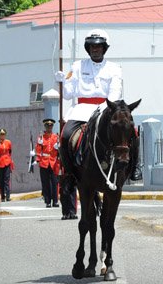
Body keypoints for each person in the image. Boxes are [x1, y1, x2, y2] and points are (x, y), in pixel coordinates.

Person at [55, 29, 127, 219]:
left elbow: (115, 93)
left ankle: (130, 167)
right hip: (81, 110)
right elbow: (70, 94)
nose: (96, 49)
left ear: (104, 48)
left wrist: (105, 110)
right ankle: (70, 176)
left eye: (99, 46)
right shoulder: (77, 66)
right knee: (66, 135)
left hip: (105, 109)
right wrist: (63, 82)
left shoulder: (114, 68)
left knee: (128, 132)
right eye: (92, 46)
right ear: (88, 48)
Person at [35, 119, 60, 208]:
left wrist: (58, 148)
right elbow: (38, 149)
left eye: (51, 126)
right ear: (45, 127)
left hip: (53, 162)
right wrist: (37, 159)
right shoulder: (41, 137)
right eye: (47, 126)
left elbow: (59, 151)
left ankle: (55, 201)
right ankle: (48, 201)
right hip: (44, 162)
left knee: (55, 182)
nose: (49, 128)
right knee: (45, 183)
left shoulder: (56, 137)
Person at [0, 128, 13, 202]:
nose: (2, 136)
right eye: (1, 135)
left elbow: (10, 151)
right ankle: (2, 196)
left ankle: (8, 195)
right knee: (1, 180)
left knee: (6, 179)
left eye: (3, 134)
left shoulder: (8, 142)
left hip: (6, 162)